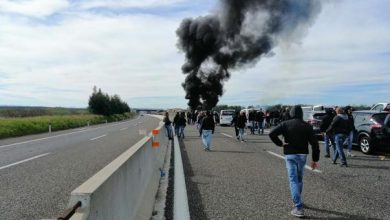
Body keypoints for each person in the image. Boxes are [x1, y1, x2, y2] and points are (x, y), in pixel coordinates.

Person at [269, 105, 320, 218]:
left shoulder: (285, 124)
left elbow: (271, 133)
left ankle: (298, 207)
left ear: (291, 113)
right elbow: (315, 144)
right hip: (302, 155)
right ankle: (298, 200)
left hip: (290, 154)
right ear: (301, 114)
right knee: (299, 178)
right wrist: (315, 159)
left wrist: (280, 143)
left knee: (293, 180)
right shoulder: (307, 126)